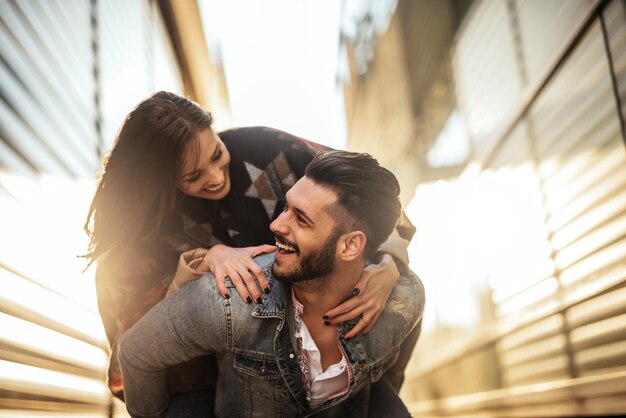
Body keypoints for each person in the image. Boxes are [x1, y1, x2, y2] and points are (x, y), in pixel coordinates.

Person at [84, 92, 416, 411]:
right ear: (161, 180)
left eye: (216, 154)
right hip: (198, 377)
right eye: (193, 176)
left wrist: (390, 264)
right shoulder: (144, 231)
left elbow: (372, 199)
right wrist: (204, 260)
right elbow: (139, 344)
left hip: (310, 352)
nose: (215, 177)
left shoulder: (267, 149)